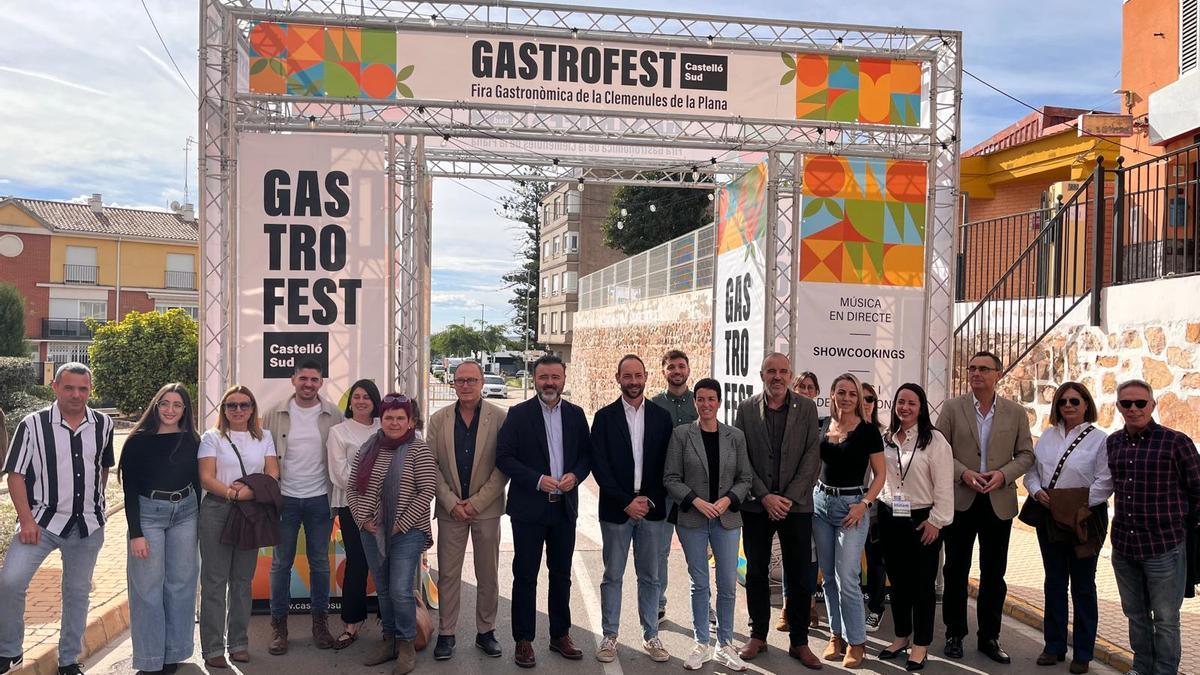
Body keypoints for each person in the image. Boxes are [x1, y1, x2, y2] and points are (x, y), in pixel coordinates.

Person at [0, 363, 115, 675]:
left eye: (83, 389)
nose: (76, 395)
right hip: (41, 524)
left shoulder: (104, 424)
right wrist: (26, 520)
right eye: (69, 388)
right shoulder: (33, 425)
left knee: (77, 593)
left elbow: (103, 467)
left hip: (88, 527)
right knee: (10, 581)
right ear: (55, 387)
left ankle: (68, 660)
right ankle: (9, 650)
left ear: (90, 390)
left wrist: (97, 504)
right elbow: (16, 475)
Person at [495, 354, 592, 669]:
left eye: (555, 377)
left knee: (561, 575)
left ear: (564, 378)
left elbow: (586, 457)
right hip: (529, 511)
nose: (549, 383)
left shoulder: (577, 415)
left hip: (564, 509)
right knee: (525, 576)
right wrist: (537, 480)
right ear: (534, 378)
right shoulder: (519, 414)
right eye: (543, 377)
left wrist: (575, 476)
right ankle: (523, 640)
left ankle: (559, 634)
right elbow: (505, 457)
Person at [938, 351, 1034, 663]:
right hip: (962, 499)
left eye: (984, 369)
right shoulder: (952, 408)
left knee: (995, 573)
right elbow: (939, 450)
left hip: (998, 500)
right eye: (972, 368)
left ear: (998, 375)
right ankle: (954, 633)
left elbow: (1026, 455)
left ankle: (989, 637)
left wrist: (1003, 474)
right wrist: (963, 472)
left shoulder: (1015, 412)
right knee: (955, 570)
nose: (976, 373)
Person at [734, 352, 823, 669]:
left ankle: (799, 641)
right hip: (757, 507)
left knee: (800, 576)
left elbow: (812, 456)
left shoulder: (807, 408)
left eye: (783, 371)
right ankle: (757, 634)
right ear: (761, 375)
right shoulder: (745, 409)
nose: (777, 376)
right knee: (756, 573)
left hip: (796, 506)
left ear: (790, 375)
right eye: (771, 371)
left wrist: (786, 498)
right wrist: (765, 496)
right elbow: (740, 457)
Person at [1107, 379, 1200, 675]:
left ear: (1152, 405)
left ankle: (1164, 672)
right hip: (1124, 547)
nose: (1134, 409)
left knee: (1166, 619)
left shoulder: (1176, 443)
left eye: (1140, 403)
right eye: (1127, 403)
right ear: (1119, 407)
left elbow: (1198, 490)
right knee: (1135, 615)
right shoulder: (1113, 443)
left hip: (1164, 548)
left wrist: (1183, 529)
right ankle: (1141, 667)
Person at [664, 378, 754, 671]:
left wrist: (728, 500)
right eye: (700, 399)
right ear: (695, 402)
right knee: (699, 582)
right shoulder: (681, 435)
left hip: (726, 518)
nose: (705, 404)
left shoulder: (735, 437)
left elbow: (745, 479)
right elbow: (671, 479)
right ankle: (701, 643)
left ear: (719, 401)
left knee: (727, 583)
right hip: (692, 518)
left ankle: (724, 645)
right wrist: (695, 501)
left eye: (711, 399)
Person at [1023, 381, 1111, 674]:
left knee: (1084, 586)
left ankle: (1083, 652)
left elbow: (1104, 481)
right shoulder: (1047, 437)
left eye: (1075, 401)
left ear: (1087, 404)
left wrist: (1077, 507)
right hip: (1050, 515)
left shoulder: (1100, 439)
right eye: (1063, 401)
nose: (1069, 406)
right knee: (1055, 582)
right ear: (1056, 406)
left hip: (1085, 518)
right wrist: (1036, 492)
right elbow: (1032, 473)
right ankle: (1054, 645)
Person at [591, 355, 674, 663]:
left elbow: (667, 464)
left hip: (652, 510)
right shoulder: (604, 417)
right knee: (613, 575)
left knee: (651, 576)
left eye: (638, 375)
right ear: (618, 378)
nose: (634, 381)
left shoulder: (661, 417)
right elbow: (599, 466)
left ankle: (651, 635)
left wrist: (647, 499)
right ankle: (610, 636)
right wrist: (626, 501)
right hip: (616, 510)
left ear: (646, 377)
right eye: (628, 376)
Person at [348, 394, 438, 675]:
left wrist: (398, 523)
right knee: (384, 588)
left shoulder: (418, 450)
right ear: (381, 420)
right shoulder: (368, 447)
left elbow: (426, 492)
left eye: (401, 418)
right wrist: (363, 519)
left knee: (399, 589)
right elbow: (352, 488)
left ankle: (406, 644)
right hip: (371, 532)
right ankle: (389, 640)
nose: (395, 422)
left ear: (411, 421)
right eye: (389, 417)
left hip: (407, 531)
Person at [426, 361, 509, 660]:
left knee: (488, 575)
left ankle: (485, 632)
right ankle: (446, 634)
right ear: (453, 383)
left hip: (485, 511)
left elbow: (503, 467)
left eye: (471, 380)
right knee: (448, 574)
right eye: (460, 380)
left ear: (482, 381)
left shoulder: (500, 418)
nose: (465, 385)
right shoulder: (439, 419)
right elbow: (430, 465)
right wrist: (451, 501)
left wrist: (476, 503)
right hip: (450, 511)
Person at [261, 360, 344, 654]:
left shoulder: (334, 414)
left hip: (319, 498)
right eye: (303, 378)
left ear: (321, 383)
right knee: (280, 563)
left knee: (320, 564)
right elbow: (263, 454)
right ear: (292, 379)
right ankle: (279, 628)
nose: (309, 384)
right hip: (285, 499)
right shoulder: (274, 414)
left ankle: (320, 625)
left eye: (314, 379)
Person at [119, 383, 202, 675]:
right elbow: (129, 490)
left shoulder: (193, 440)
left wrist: (200, 523)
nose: (170, 410)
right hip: (149, 515)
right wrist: (136, 533)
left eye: (177, 405)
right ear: (156, 406)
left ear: (185, 410)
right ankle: (150, 660)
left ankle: (174, 654)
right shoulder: (137, 442)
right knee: (147, 589)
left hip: (186, 512)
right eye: (165, 403)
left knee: (181, 585)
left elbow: (199, 482)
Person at [197, 385, 280, 669]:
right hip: (218, 511)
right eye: (231, 405)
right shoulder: (212, 437)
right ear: (223, 409)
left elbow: (273, 472)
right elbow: (207, 478)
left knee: (242, 582)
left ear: (253, 408)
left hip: (250, 511)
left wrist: (249, 493)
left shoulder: (265, 437)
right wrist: (233, 494)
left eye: (244, 405)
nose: (238, 410)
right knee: (214, 582)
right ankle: (212, 648)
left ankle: (239, 643)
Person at [877, 384, 954, 672]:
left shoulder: (934, 441)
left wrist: (936, 521)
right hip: (889, 516)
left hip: (923, 519)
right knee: (897, 584)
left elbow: (945, 486)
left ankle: (921, 645)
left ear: (921, 407)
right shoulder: (887, 437)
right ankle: (900, 637)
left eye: (911, 402)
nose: (905, 407)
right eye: (900, 402)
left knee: (923, 586)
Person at [812, 373, 885, 669]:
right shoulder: (821, 425)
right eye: (841, 392)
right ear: (832, 395)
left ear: (859, 398)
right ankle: (836, 635)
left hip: (852, 507)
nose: (846, 398)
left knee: (848, 578)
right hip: (821, 504)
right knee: (828, 576)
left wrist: (864, 504)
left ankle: (857, 642)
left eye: (852, 394)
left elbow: (880, 475)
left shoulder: (868, 431)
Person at [326, 379, 383, 650]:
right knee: (358, 563)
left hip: (387, 507)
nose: (361, 401)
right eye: (356, 397)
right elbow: (339, 473)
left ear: (375, 401)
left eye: (366, 397)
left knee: (387, 563)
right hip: (352, 507)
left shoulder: (386, 426)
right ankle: (351, 624)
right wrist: (370, 491)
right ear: (350, 402)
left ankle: (390, 624)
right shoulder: (339, 432)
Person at [651, 349, 699, 627]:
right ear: (664, 371)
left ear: (688, 369)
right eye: (672, 367)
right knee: (660, 551)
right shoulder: (654, 405)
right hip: (663, 491)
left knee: (698, 552)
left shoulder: (700, 402)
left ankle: (704, 608)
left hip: (694, 492)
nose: (677, 371)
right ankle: (658, 604)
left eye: (681, 366)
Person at [792, 371, 823, 632]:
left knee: (810, 558)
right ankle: (786, 608)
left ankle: (810, 604)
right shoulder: (786, 420)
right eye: (801, 386)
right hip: (793, 500)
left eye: (811, 387)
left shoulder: (825, 424)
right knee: (791, 557)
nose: (805, 390)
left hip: (817, 501)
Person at [860, 382, 888, 634]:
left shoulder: (886, 435)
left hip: (877, 509)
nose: (866, 402)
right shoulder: (843, 431)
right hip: (847, 508)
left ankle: (877, 609)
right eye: (862, 398)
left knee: (876, 561)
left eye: (871, 399)